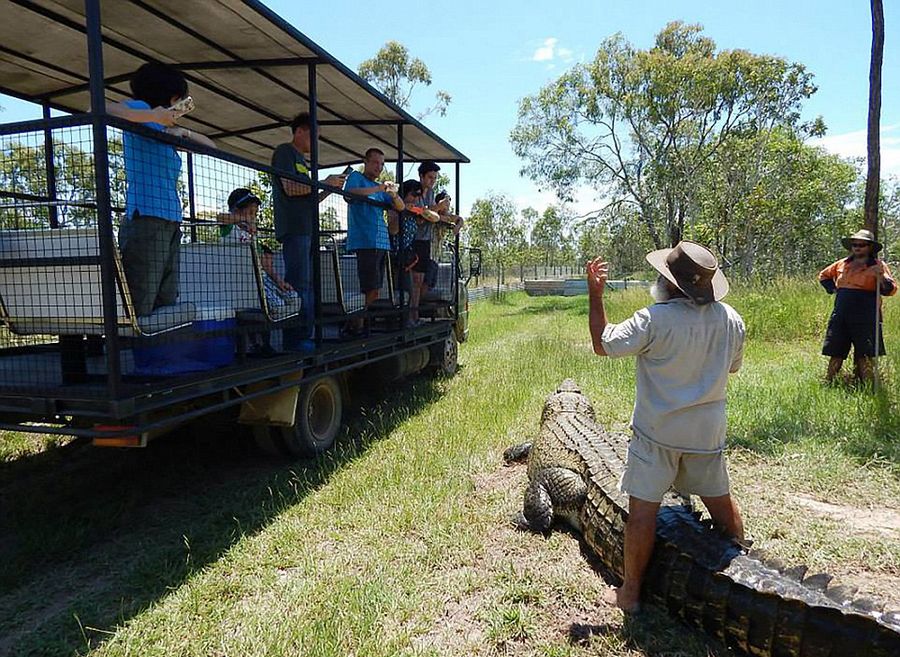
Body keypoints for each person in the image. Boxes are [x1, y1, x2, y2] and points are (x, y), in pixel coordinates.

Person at [586, 241, 746, 614]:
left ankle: (630, 594)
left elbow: (602, 344)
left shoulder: (654, 319)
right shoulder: (731, 318)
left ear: (670, 282)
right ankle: (742, 567)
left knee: (643, 511)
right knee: (720, 501)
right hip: (707, 431)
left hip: (657, 433)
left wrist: (596, 295)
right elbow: (733, 368)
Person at [106, 61, 215, 317]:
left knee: (167, 296)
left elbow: (211, 147)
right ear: (171, 95)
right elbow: (98, 108)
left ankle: (160, 353)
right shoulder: (141, 109)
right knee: (141, 297)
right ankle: (133, 353)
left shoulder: (165, 129)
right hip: (146, 217)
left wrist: (180, 131)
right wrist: (154, 115)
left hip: (171, 220)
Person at [271, 112, 346, 351]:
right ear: (300, 131)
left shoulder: (303, 162)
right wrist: (324, 181)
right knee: (299, 284)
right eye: (314, 135)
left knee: (310, 284)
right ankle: (295, 341)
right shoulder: (284, 152)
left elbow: (310, 196)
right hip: (294, 229)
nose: (316, 142)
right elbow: (291, 189)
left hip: (309, 229)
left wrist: (329, 189)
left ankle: (307, 335)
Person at [818, 229, 896, 383]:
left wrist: (879, 277)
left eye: (862, 245)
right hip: (841, 314)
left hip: (866, 316)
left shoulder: (878, 265)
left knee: (865, 354)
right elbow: (823, 276)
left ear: (869, 247)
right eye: (854, 245)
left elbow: (890, 289)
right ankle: (828, 383)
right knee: (836, 351)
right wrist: (834, 290)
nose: (857, 247)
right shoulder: (842, 264)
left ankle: (868, 386)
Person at [343, 148, 405, 329]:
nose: (379, 167)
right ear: (366, 162)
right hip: (365, 241)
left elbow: (400, 207)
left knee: (375, 289)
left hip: (382, 243)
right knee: (370, 288)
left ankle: (356, 321)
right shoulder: (356, 177)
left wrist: (393, 193)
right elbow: (350, 194)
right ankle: (355, 323)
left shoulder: (380, 190)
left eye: (382, 164)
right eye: (376, 162)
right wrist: (379, 187)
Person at [387, 179, 430, 318]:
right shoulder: (395, 209)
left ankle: (412, 319)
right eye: (413, 194)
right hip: (396, 258)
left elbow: (432, 217)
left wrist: (420, 213)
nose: (416, 198)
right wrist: (403, 210)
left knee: (412, 291)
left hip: (409, 258)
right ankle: (402, 323)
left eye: (419, 195)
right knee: (401, 293)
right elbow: (393, 230)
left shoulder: (414, 212)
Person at [410, 161, 443, 322]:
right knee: (415, 280)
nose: (432, 181)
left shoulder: (430, 193)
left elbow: (430, 214)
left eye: (435, 178)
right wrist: (436, 208)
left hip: (425, 241)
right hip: (412, 240)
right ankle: (411, 313)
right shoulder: (414, 192)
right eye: (430, 177)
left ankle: (415, 313)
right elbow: (421, 217)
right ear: (421, 176)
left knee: (421, 280)